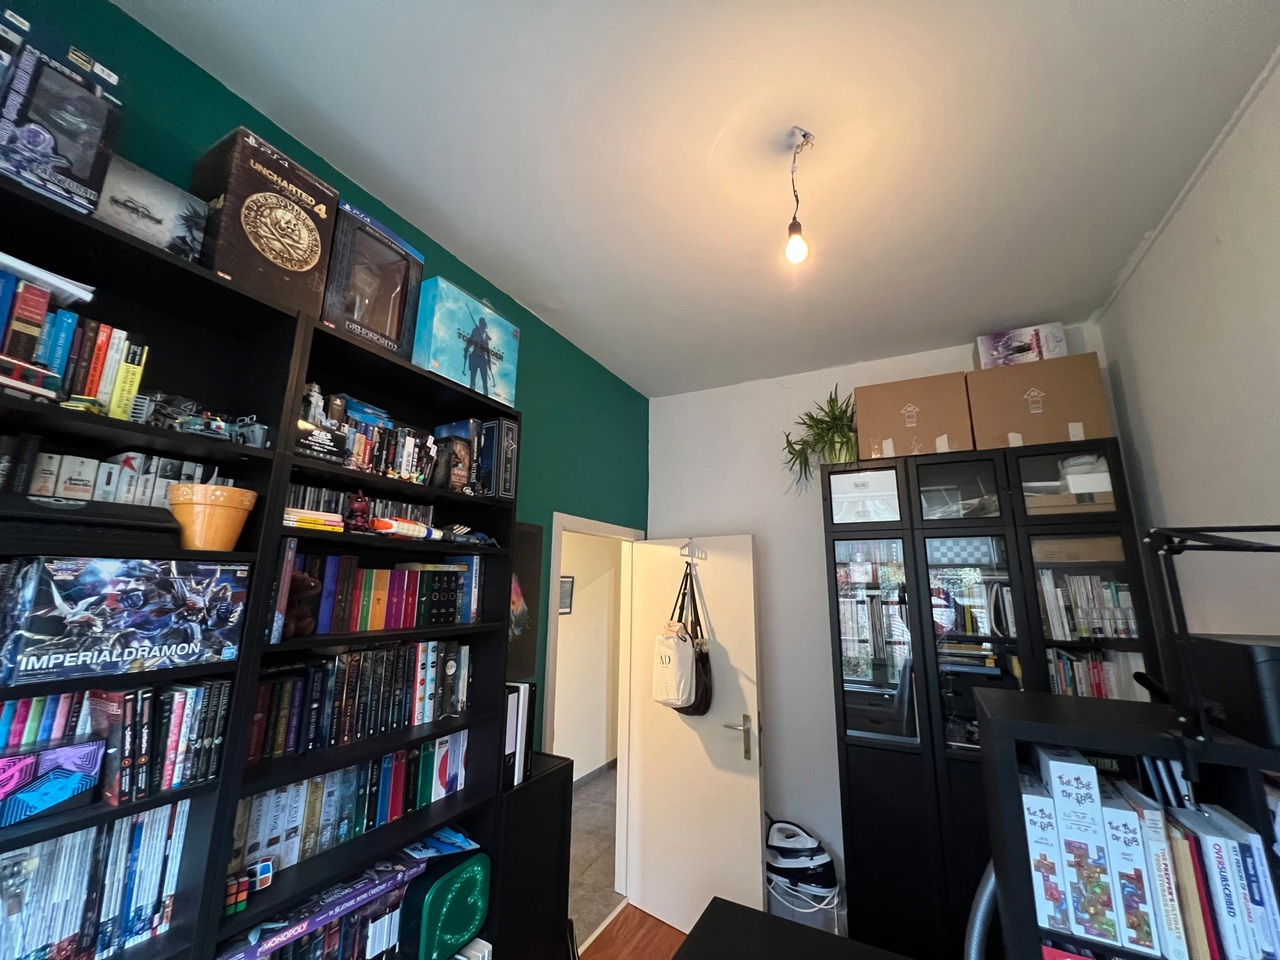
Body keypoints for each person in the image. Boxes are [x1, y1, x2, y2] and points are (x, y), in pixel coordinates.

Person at [463, 316, 493, 395]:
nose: (482, 326)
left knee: (485, 381)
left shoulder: (486, 336)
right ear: (480, 324)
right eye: (481, 324)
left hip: (483, 359)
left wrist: (489, 362)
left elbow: (488, 350)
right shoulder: (475, 331)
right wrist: (466, 351)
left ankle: (485, 396)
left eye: (483, 324)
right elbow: (470, 342)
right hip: (475, 357)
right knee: (473, 379)